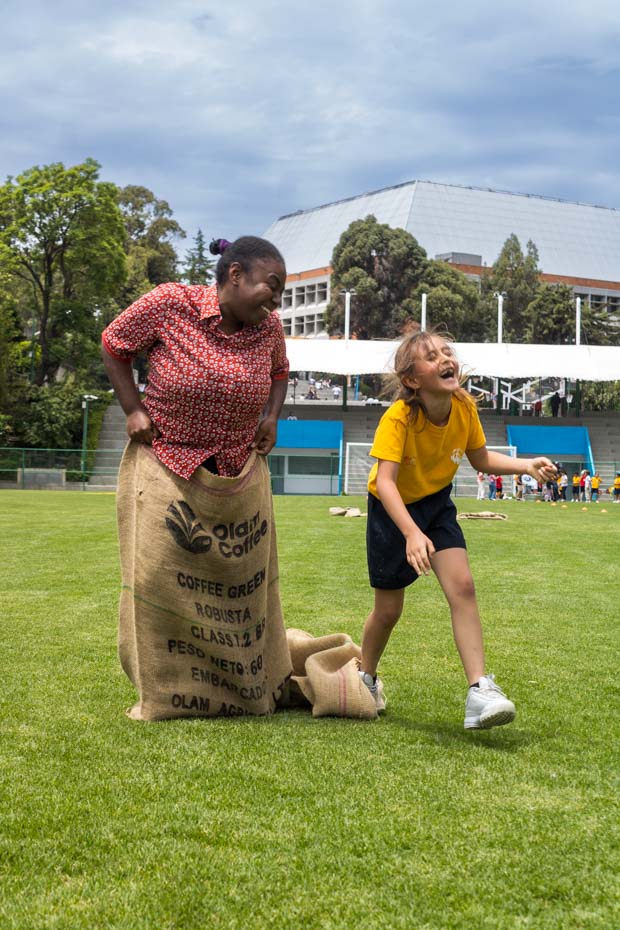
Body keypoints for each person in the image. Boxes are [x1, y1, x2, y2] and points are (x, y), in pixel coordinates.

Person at [101, 235, 293, 720]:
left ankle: (240, 686)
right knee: (160, 575)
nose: (277, 298)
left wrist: (270, 417)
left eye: (282, 291)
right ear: (235, 275)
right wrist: (132, 409)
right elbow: (114, 343)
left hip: (237, 471)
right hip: (168, 459)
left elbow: (280, 372)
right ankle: (168, 691)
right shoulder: (172, 303)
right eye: (272, 285)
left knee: (239, 583)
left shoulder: (268, 328)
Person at [357, 329, 556, 728]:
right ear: (412, 379)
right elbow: (387, 482)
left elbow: (479, 458)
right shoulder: (399, 417)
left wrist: (526, 465)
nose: (445, 358)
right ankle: (366, 677)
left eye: (447, 352)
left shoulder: (464, 406)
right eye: (431, 356)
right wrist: (411, 533)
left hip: (436, 505)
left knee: (462, 587)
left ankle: (479, 691)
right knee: (389, 610)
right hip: (391, 509)